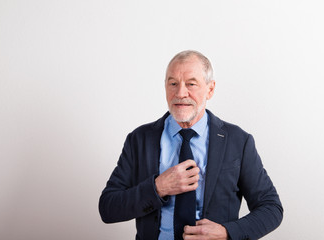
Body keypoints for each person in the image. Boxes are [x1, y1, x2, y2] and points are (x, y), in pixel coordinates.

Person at [99, 50, 283, 240]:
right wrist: (158, 187)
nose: (180, 93)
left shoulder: (238, 141)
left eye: (191, 84)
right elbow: (108, 207)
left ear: (210, 89)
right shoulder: (140, 139)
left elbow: (271, 208)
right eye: (173, 84)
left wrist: (227, 232)